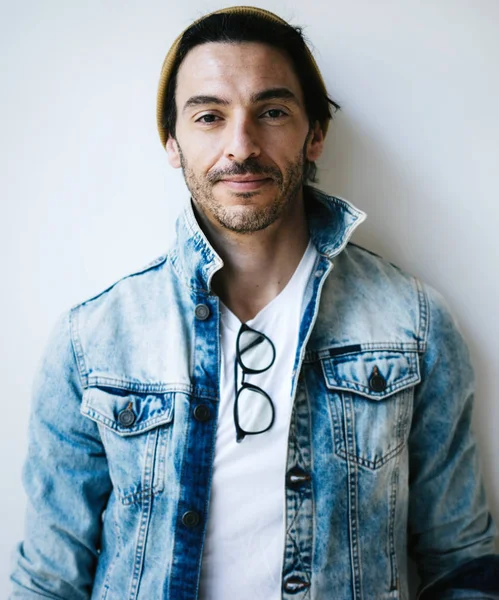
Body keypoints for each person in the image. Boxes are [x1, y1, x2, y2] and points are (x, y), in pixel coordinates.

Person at [10, 6, 499, 600]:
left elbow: (463, 565)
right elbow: (47, 581)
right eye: (209, 116)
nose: (241, 147)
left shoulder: (414, 325)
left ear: (314, 134)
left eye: (271, 113)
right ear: (172, 142)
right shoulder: (92, 341)